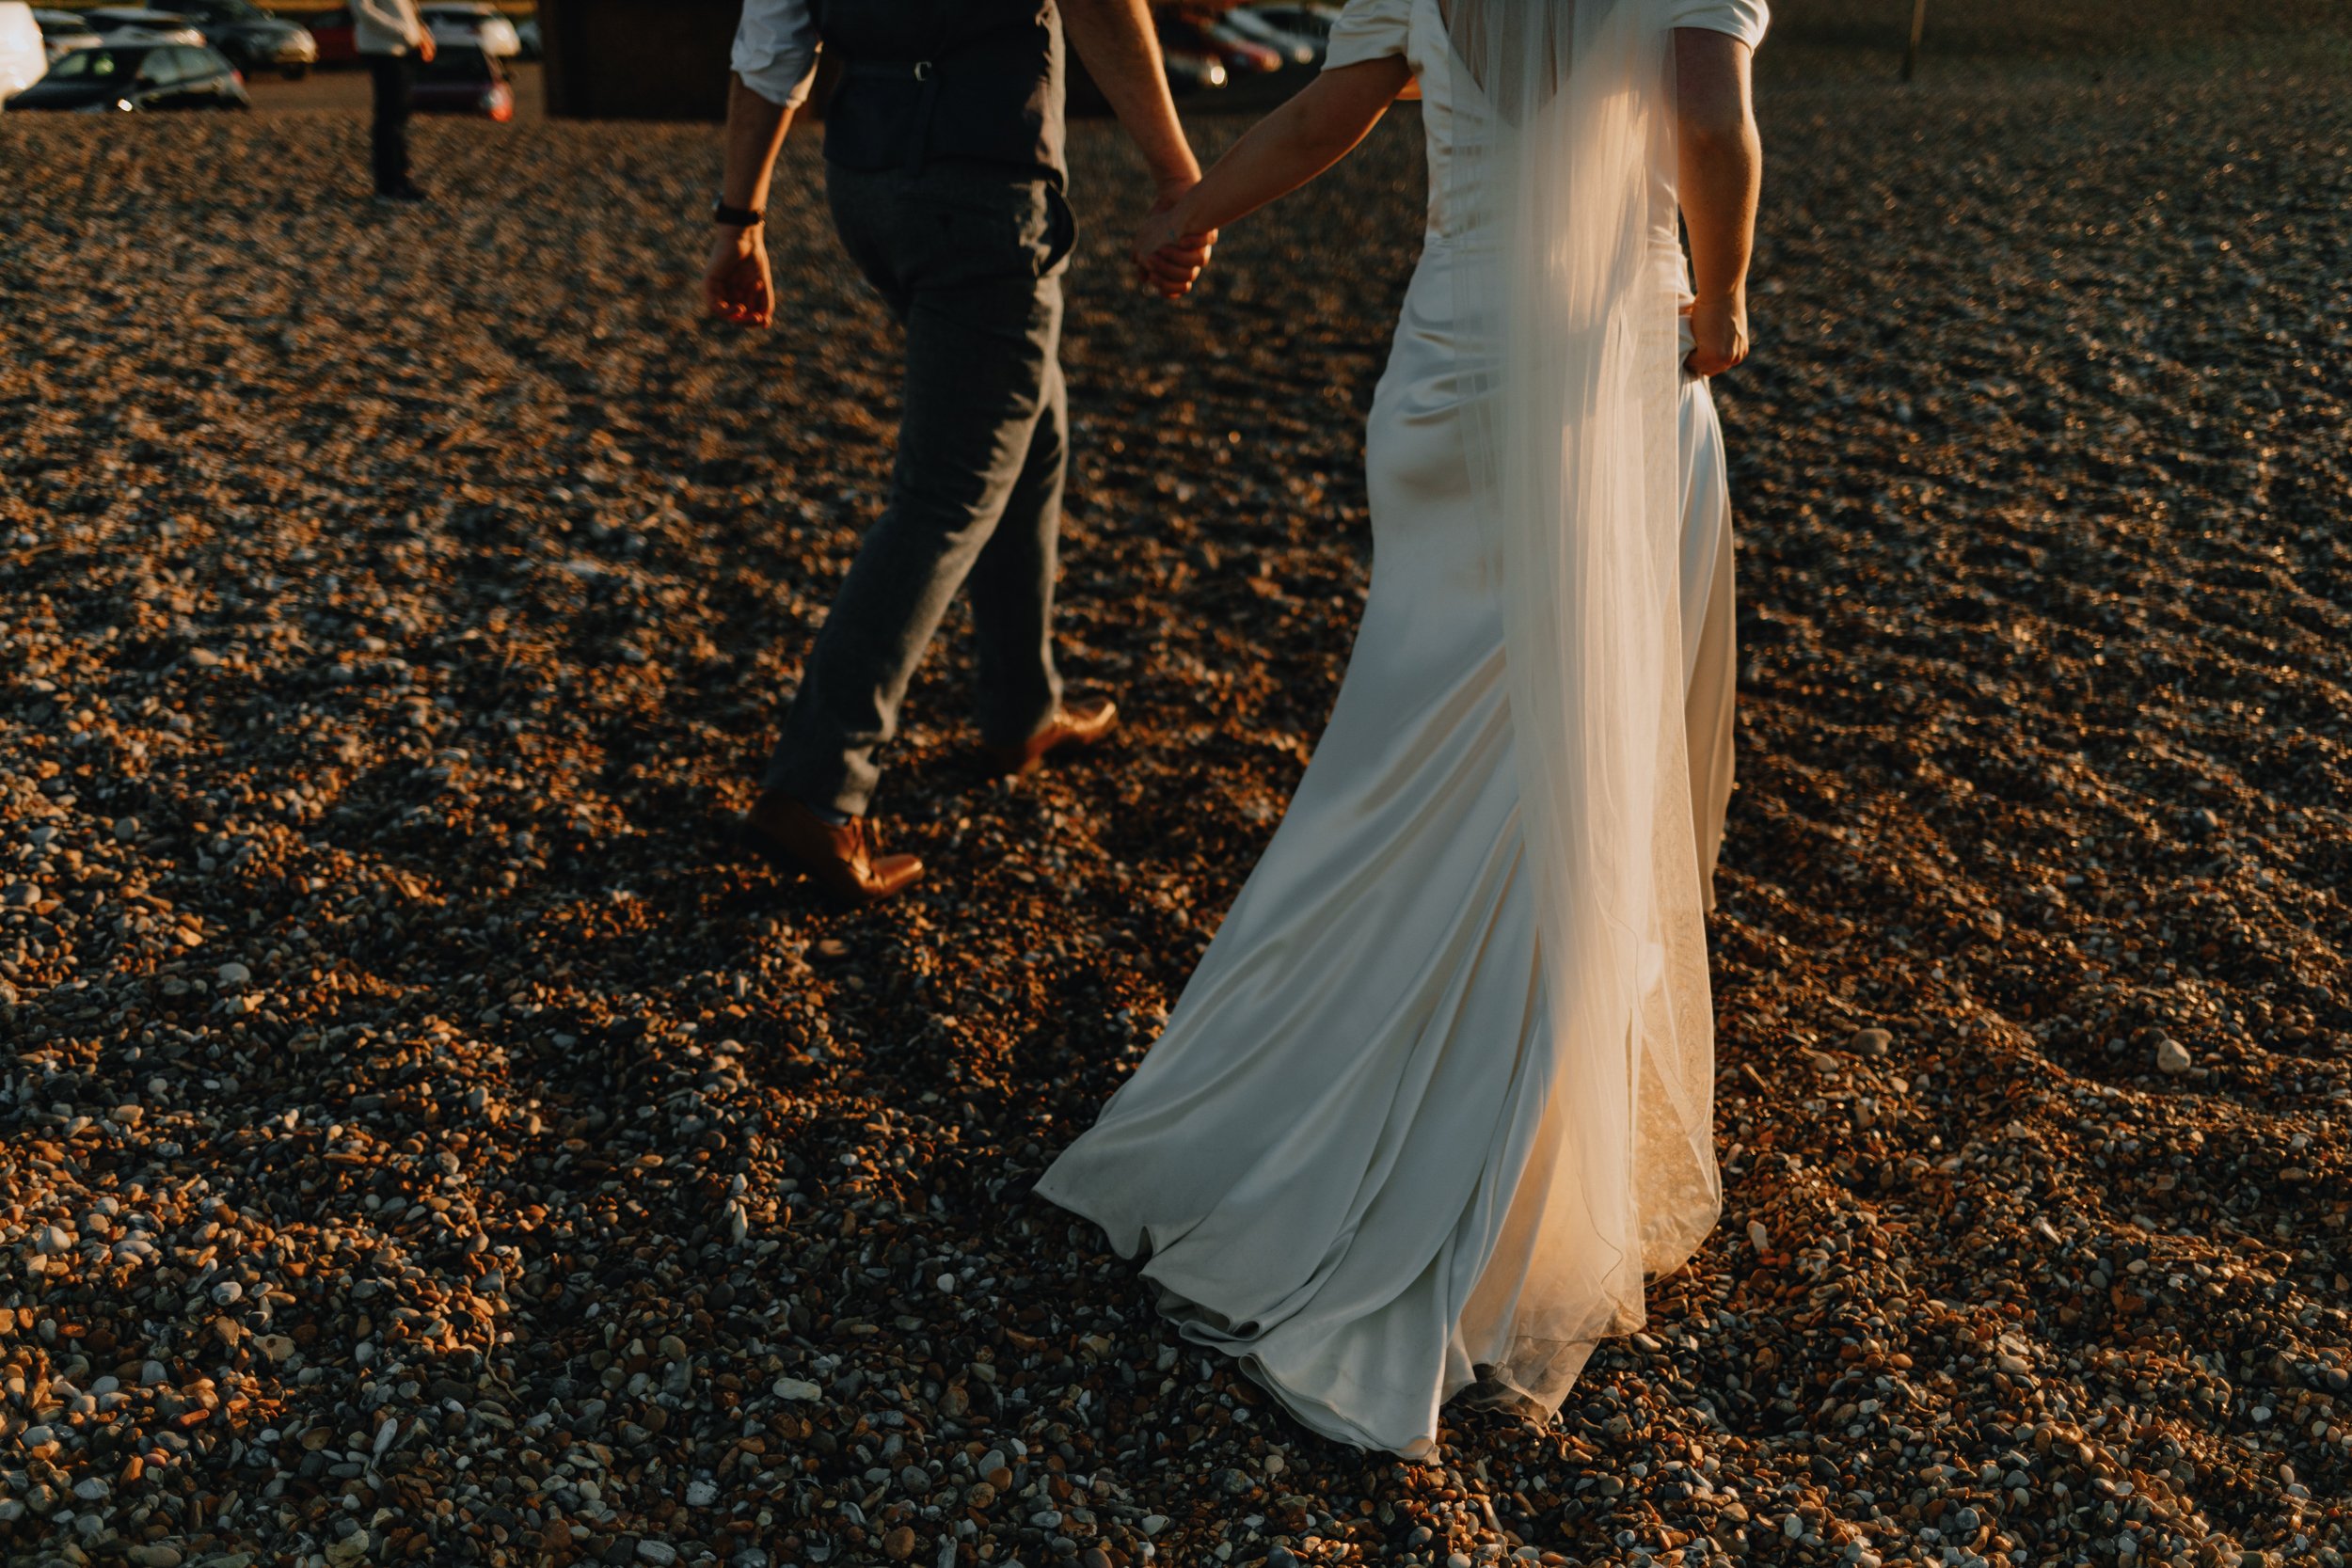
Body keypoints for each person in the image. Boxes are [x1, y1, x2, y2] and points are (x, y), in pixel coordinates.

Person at [1036, 0, 1768, 1456]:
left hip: (1452, 368)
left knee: (1394, 749)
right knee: (1575, 749)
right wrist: (1730, 294)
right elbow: (1705, 115)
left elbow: (1328, 111)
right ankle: (1511, 1136)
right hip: (1612, 363)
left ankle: (1286, 1082)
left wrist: (1194, 207)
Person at [706, 0, 1212, 906]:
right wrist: (1177, 175)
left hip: (868, 185)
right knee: (948, 493)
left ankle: (1023, 707)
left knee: (1031, 427)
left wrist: (740, 218)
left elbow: (769, 47)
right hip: (981, 193)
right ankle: (819, 789)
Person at [354, 0, 433, 204]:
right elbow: (363, 11)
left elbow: (409, 9)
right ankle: (388, 187)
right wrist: (405, 33)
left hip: (402, 50)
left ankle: (401, 182)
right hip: (383, 51)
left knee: (398, 117)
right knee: (389, 119)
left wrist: (423, 35)